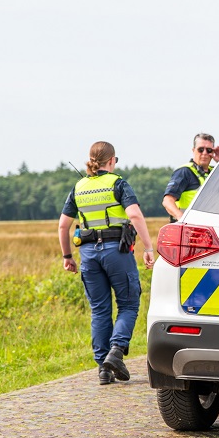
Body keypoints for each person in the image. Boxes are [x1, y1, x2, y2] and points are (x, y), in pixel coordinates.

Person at [58, 142, 156, 384]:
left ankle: (103, 369)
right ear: (111, 161)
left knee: (100, 309)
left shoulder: (79, 187)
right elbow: (134, 214)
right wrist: (148, 247)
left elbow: (63, 225)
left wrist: (67, 256)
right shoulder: (118, 183)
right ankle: (116, 351)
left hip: (89, 255)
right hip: (117, 252)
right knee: (129, 304)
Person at [163, 133, 219, 222]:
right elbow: (167, 201)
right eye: (200, 149)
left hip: (209, 228)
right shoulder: (184, 172)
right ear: (193, 150)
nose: (204, 153)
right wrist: (182, 219)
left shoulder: (216, 172)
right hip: (188, 230)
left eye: (209, 150)